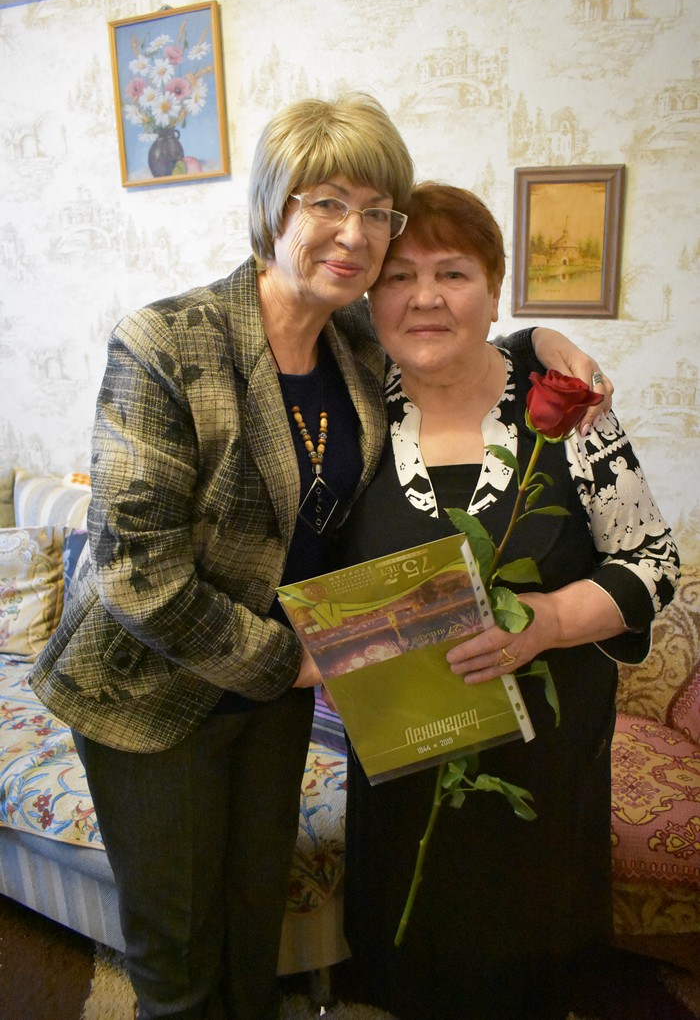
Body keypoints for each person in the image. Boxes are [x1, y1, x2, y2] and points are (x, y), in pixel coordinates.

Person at [31, 95, 609, 1020]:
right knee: (179, 955)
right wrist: (297, 662)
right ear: (273, 207)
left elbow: (460, 326)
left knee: (251, 925)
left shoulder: (354, 344)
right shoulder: (169, 342)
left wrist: (549, 340)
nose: (355, 234)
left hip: (272, 699)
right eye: (327, 203)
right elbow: (137, 572)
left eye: (377, 212)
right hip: (154, 688)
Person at [336, 183, 680, 1020]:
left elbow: (652, 563)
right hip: (403, 755)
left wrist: (548, 622)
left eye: (453, 273)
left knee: (533, 969)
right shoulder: (348, 412)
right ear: (370, 298)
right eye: (398, 276)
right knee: (408, 957)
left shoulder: (571, 409)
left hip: (545, 762)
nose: (424, 297)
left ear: (494, 291)